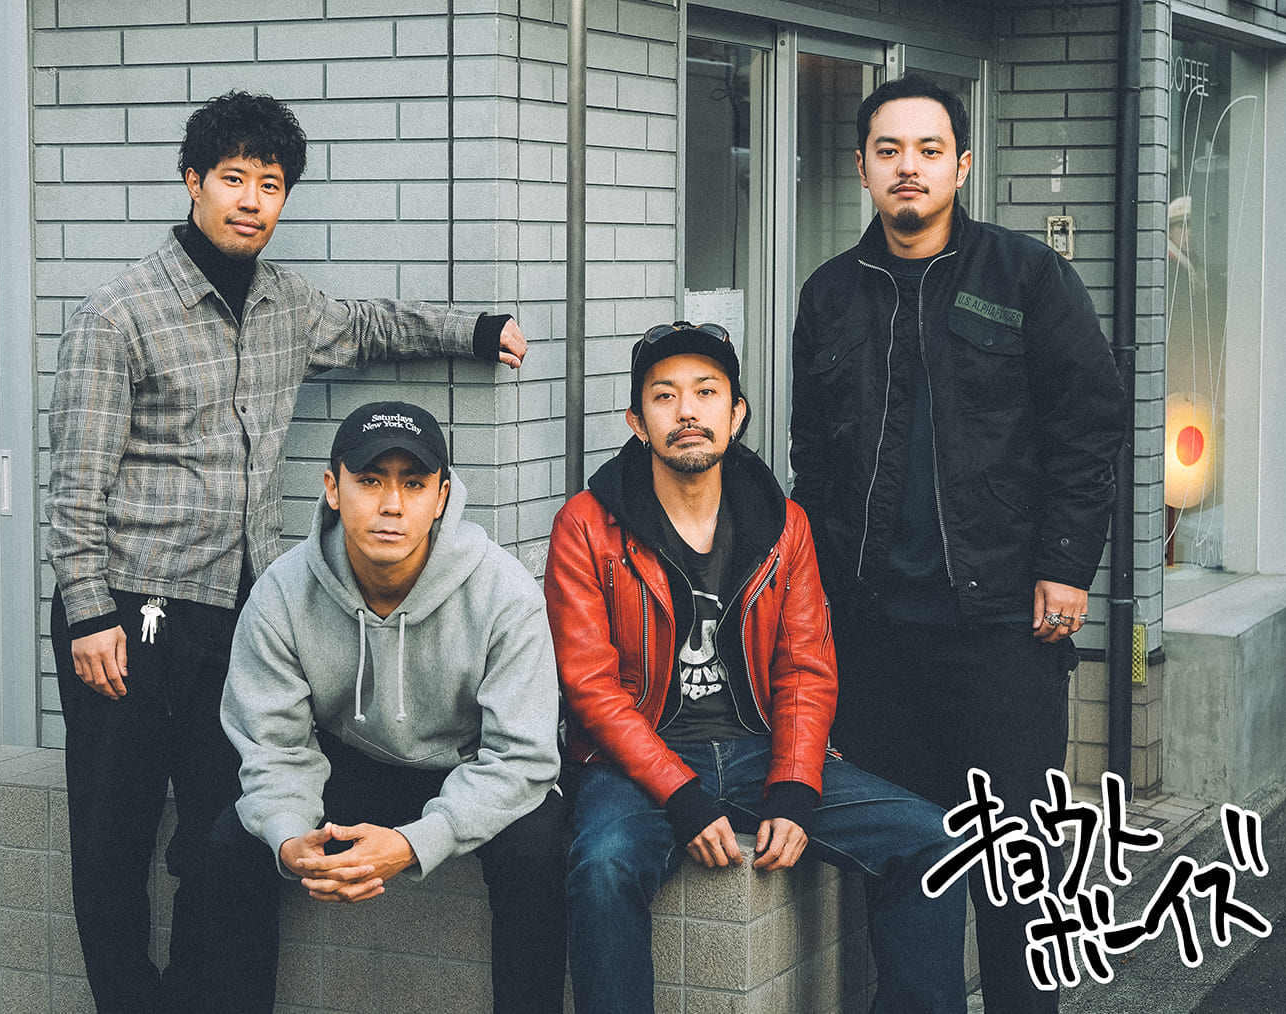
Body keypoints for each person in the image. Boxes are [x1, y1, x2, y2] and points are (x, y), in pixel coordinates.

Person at [44, 92, 528, 1014]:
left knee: (226, 835)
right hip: (128, 616)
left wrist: (474, 332)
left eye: (269, 185)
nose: (251, 200)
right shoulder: (119, 314)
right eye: (234, 179)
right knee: (112, 844)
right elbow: (74, 484)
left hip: (234, 618)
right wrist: (87, 613)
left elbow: (374, 327)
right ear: (193, 181)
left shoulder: (286, 305)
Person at [788, 75, 1125, 1014]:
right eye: (889, 151)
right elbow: (814, 462)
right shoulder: (829, 295)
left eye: (929, 150)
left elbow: (1088, 427)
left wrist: (1065, 565)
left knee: (1018, 864)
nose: (909, 167)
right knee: (910, 861)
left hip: (1002, 629)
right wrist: (815, 604)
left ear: (962, 165)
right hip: (875, 634)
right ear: (862, 168)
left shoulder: (1027, 278)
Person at [545, 322, 967, 1014]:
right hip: (636, 761)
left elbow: (805, 667)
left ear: (736, 413)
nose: (687, 411)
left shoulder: (783, 524)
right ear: (637, 422)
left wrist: (795, 786)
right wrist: (680, 793)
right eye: (664, 396)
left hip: (757, 749)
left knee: (936, 841)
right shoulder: (587, 526)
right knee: (602, 866)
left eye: (707, 392)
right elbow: (591, 687)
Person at [207, 401, 566, 1013]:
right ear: (333, 488)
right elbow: (274, 744)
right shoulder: (283, 593)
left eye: (414, 484)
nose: (392, 504)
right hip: (351, 761)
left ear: (443, 496)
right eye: (370, 481)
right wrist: (288, 835)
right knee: (231, 845)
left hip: (469, 767)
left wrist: (414, 843)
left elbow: (523, 758)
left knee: (538, 850)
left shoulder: (504, 593)